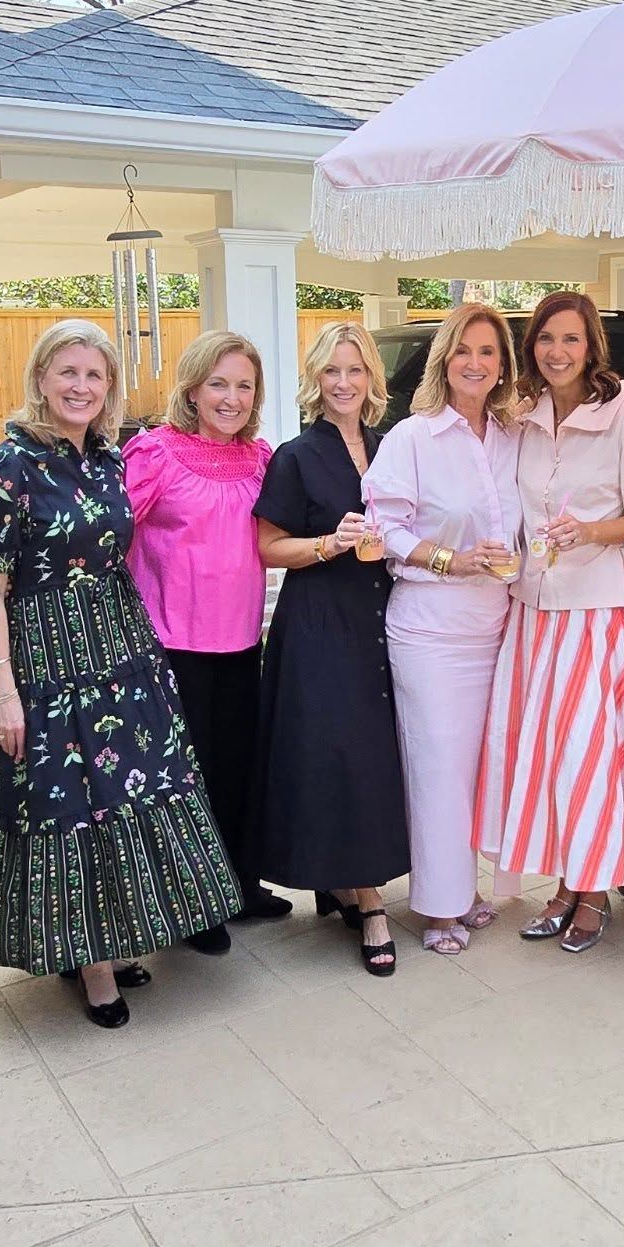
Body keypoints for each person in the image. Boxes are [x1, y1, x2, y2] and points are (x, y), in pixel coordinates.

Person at [0, 321, 241, 1028]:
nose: (81, 387)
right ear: (42, 379)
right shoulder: (3, 467)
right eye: (69, 373)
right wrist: (2, 689)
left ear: (109, 388)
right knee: (68, 806)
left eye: (95, 376)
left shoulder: (108, 460)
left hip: (120, 651)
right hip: (48, 661)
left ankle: (109, 943)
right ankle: (89, 966)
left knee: (125, 794)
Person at [474, 292, 624, 953]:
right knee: (548, 759)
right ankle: (562, 884)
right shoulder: (521, 418)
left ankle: (594, 891)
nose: (557, 351)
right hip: (530, 612)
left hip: (594, 611)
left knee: (589, 757)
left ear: (591, 349)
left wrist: (591, 531)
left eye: (571, 340)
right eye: (547, 338)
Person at [121, 330, 290, 956]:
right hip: (172, 647)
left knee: (237, 772)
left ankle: (239, 885)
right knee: (185, 780)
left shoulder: (262, 458)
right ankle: (191, 906)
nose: (231, 397)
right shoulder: (154, 453)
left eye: (243, 385)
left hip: (243, 641)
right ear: (192, 388)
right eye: (218, 383)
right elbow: (112, 539)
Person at [364, 304, 522, 956]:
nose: (476, 363)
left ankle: (465, 886)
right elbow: (384, 528)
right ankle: (438, 904)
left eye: (488, 352)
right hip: (429, 630)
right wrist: (448, 559)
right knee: (437, 766)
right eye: (464, 351)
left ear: (503, 364)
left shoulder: (514, 437)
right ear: (444, 359)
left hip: (496, 625)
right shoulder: (414, 437)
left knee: (477, 767)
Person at [253, 321, 410, 978]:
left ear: (372, 376)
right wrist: (327, 544)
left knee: (374, 756)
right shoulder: (295, 455)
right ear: (315, 381)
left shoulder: (392, 445)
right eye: (330, 372)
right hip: (320, 620)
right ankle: (369, 902)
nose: (343, 383)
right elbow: (268, 547)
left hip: (384, 614)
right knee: (338, 754)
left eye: (354, 370)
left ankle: (342, 882)